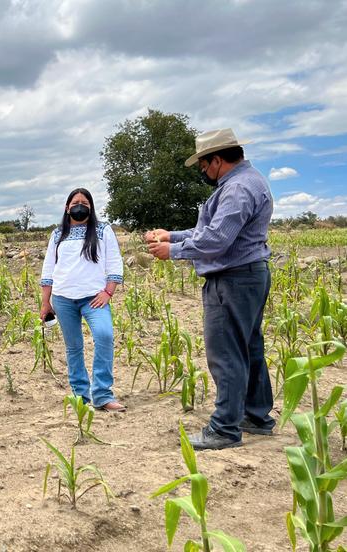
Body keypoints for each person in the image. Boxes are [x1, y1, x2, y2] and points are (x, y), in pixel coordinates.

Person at [146, 128, 274, 451]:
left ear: (217, 160)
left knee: (226, 352)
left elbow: (216, 240)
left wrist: (172, 251)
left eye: (203, 165)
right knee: (249, 347)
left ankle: (225, 429)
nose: (203, 172)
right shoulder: (249, 182)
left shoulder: (237, 190)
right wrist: (172, 235)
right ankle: (256, 415)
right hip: (249, 275)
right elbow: (211, 229)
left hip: (232, 279)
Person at [39, 188, 125, 412]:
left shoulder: (103, 230)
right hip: (62, 298)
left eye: (84, 202)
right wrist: (45, 302)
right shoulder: (58, 234)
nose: (80, 205)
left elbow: (114, 262)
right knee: (74, 347)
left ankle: (103, 395)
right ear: (67, 208)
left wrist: (108, 291)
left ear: (91, 207)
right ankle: (80, 396)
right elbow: (49, 268)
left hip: (94, 298)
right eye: (75, 202)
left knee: (104, 335)